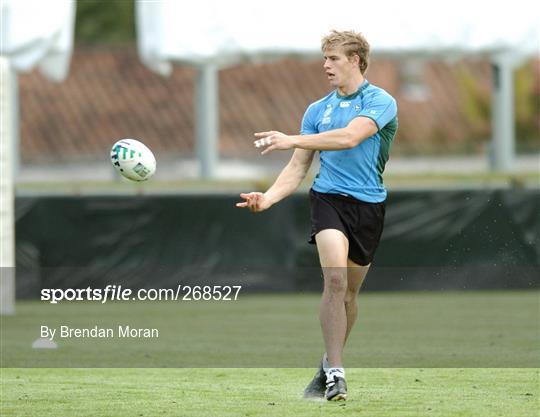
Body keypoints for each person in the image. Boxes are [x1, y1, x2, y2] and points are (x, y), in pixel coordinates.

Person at [236, 30, 398, 401]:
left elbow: (349, 138)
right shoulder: (316, 110)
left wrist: (292, 138)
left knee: (350, 296)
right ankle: (337, 376)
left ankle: (327, 363)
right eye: (324, 58)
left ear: (356, 60)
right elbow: (297, 168)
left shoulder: (380, 101)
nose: (325, 65)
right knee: (335, 283)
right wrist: (269, 198)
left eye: (334, 58)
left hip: (369, 206)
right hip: (328, 201)